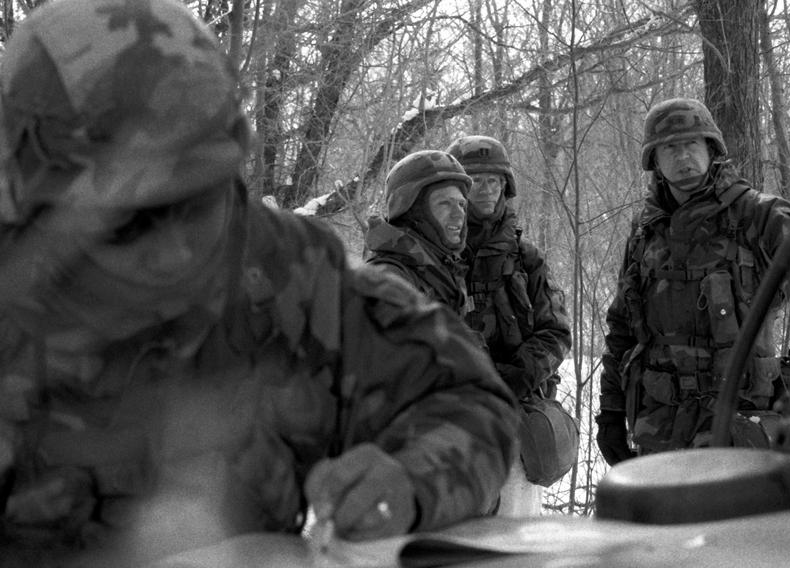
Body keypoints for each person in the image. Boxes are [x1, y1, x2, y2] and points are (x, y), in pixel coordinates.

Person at [0, 0, 517, 564]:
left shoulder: (285, 273)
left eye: (198, 198)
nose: (175, 248)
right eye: (134, 216)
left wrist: (409, 479)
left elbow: (470, 398)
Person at [595, 97, 790, 466]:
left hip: (737, 430)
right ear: (654, 160)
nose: (683, 157)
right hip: (661, 431)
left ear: (711, 149)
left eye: (692, 144)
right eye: (670, 148)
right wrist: (610, 411)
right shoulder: (644, 235)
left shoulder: (759, 216)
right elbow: (621, 330)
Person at [445, 135, 571, 516]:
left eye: (494, 181)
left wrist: (514, 376)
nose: (485, 191)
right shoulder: (437, 257)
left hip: (518, 418)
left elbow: (556, 332)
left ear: (505, 187)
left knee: (517, 536)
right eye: (475, 181)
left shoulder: (526, 257)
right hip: (453, 420)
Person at [365, 150, 471, 315]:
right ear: (413, 211)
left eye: (461, 205)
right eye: (444, 203)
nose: (459, 215)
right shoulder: (388, 282)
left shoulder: (442, 269)